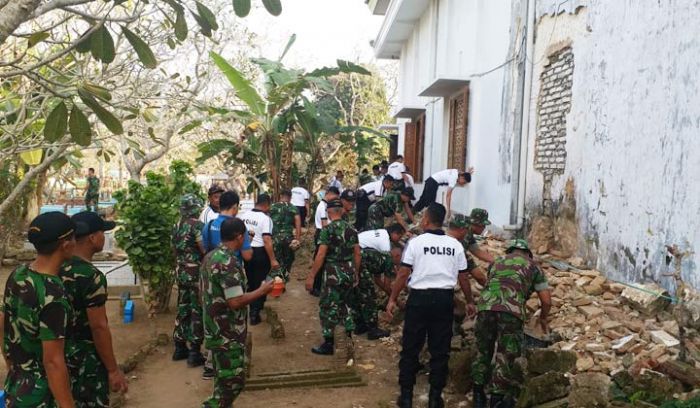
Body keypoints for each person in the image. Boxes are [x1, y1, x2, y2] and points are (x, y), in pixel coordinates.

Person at [386, 203, 475, 408]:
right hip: (444, 301)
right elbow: (464, 278)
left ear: (426, 219)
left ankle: (406, 396)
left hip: (419, 299)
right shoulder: (455, 245)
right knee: (440, 349)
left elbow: (403, 273)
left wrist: (392, 298)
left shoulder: (416, 243)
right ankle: (436, 397)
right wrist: (469, 301)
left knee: (410, 348)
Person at [2, 212, 77, 407]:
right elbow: (53, 362)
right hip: (42, 397)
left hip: (17, 388)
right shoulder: (53, 297)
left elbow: (2, 320)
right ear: (66, 245)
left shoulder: (18, 274)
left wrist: (14, 365)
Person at [201, 218, 274, 408]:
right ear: (239, 237)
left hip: (214, 328)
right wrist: (262, 291)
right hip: (227, 332)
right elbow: (235, 302)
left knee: (222, 381)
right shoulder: (228, 263)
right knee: (232, 384)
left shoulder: (210, 256)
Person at [471, 239, 551, 408]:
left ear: (510, 251)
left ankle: (478, 395)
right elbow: (546, 301)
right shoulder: (534, 266)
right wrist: (543, 318)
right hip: (511, 312)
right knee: (505, 355)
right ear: (528, 254)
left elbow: (491, 284)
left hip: (485, 308)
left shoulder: (497, 262)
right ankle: (496, 399)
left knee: (483, 350)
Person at [61, 211, 128, 407]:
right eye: (102, 232)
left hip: (55, 354)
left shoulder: (55, 267)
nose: (104, 237)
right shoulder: (91, 276)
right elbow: (98, 327)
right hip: (84, 359)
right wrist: (113, 370)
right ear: (92, 238)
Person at [200, 191, 252, 380]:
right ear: (235, 206)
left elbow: (204, 249)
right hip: (231, 276)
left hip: (211, 277)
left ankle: (209, 363)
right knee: (232, 320)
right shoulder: (238, 227)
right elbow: (247, 256)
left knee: (214, 318)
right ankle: (230, 366)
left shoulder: (209, 225)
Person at [305, 200, 360, 356]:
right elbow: (357, 253)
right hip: (348, 272)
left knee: (329, 306)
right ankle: (348, 338)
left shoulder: (327, 230)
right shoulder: (352, 229)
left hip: (332, 274)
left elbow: (321, 254)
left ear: (329, 212)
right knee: (346, 305)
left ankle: (329, 343)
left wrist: (311, 276)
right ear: (341, 211)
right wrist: (356, 272)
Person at [171, 194, 207, 367]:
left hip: (181, 271)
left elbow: (174, 250)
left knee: (182, 307)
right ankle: (194, 351)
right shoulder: (197, 225)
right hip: (195, 274)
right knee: (197, 310)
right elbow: (203, 249)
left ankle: (179, 347)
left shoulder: (176, 225)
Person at [353, 224, 405, 340]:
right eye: (399, 259)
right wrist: (396, 301)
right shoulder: (388, 259)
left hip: (355, 261)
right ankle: (373, 330)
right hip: (360, 265)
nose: (399, 263)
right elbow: (387, 285)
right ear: (396, 255)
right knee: (370, 298)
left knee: (359, 295)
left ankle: (360, 325)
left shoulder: (380, 256)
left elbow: (377, 280)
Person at [237, 193, 279, 325]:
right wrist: (272, 259)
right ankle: (255, 312)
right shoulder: (265, 219)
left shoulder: (243, 216)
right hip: (260, 252)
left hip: (246, 251)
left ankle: (252, 309)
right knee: (261, 283)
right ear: (267, 204)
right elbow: (267, 240)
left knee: (251, 281)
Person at [311, 186, 340, 296]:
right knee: (320, 260)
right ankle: (315, 288)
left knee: (322, 261)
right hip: (322, 234)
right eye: (335, 197)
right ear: (330, 194)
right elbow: (324, 224)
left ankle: (318, 286)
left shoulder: (325, 205)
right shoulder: (322, 206)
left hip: (323, 233)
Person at [269, 190, 301, 282]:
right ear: (290, 197)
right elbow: (298, 224)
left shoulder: (272, 207)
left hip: (275, 238)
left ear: (281, 195)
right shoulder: (294, 208)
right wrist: (297, 240)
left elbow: (267, 221)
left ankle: (276, 278)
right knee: (288, 259)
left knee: (277, 259)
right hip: (288, 239)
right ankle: (284, 277)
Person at [446, 214, 487, 286]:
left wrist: (499, 262)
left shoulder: (465, 237)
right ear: (462, 229)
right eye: (483, 225)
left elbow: (477, 252)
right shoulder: (453, 245)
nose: (484, 228)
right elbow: (463, 278)